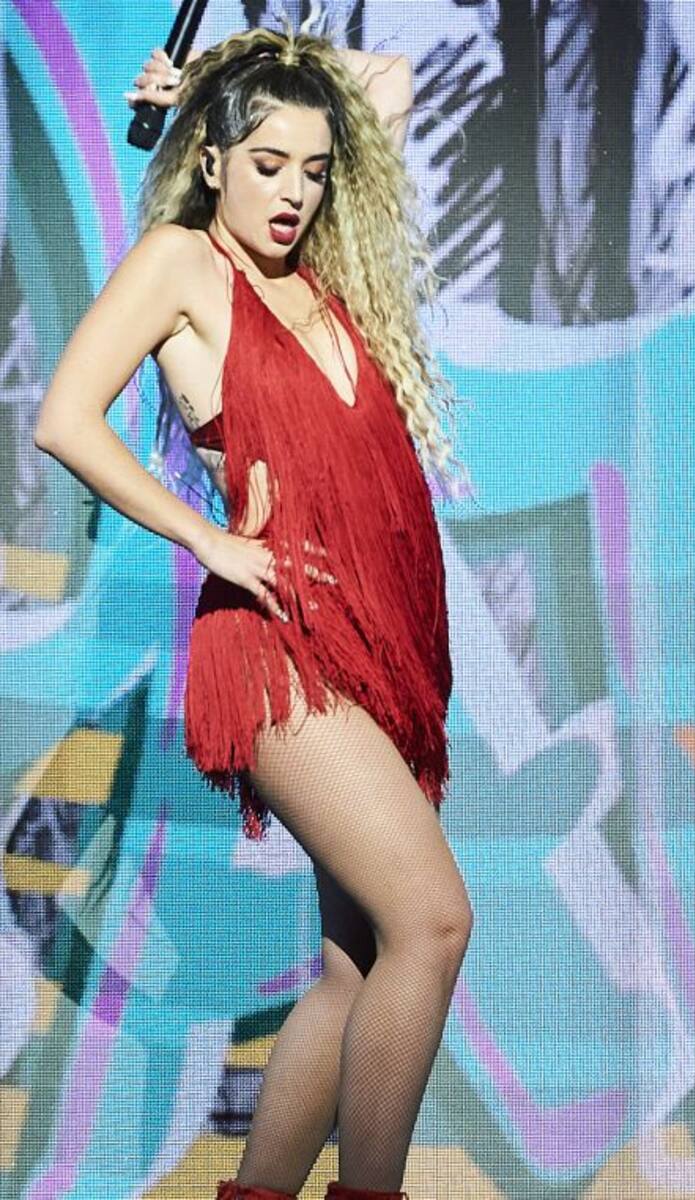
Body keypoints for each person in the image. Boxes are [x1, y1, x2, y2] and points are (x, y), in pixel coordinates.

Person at [34, 30, 471, 1200]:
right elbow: (65, 416)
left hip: (383, 645)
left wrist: (214, 75)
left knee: (355, 967)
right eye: (267, 163)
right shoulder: (184, 262)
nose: (294, 191)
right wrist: (210, 540)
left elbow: (385, 80)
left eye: (313, 171)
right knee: (432, 924)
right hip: (278, 647)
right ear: (213, 161)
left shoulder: (321, 271)